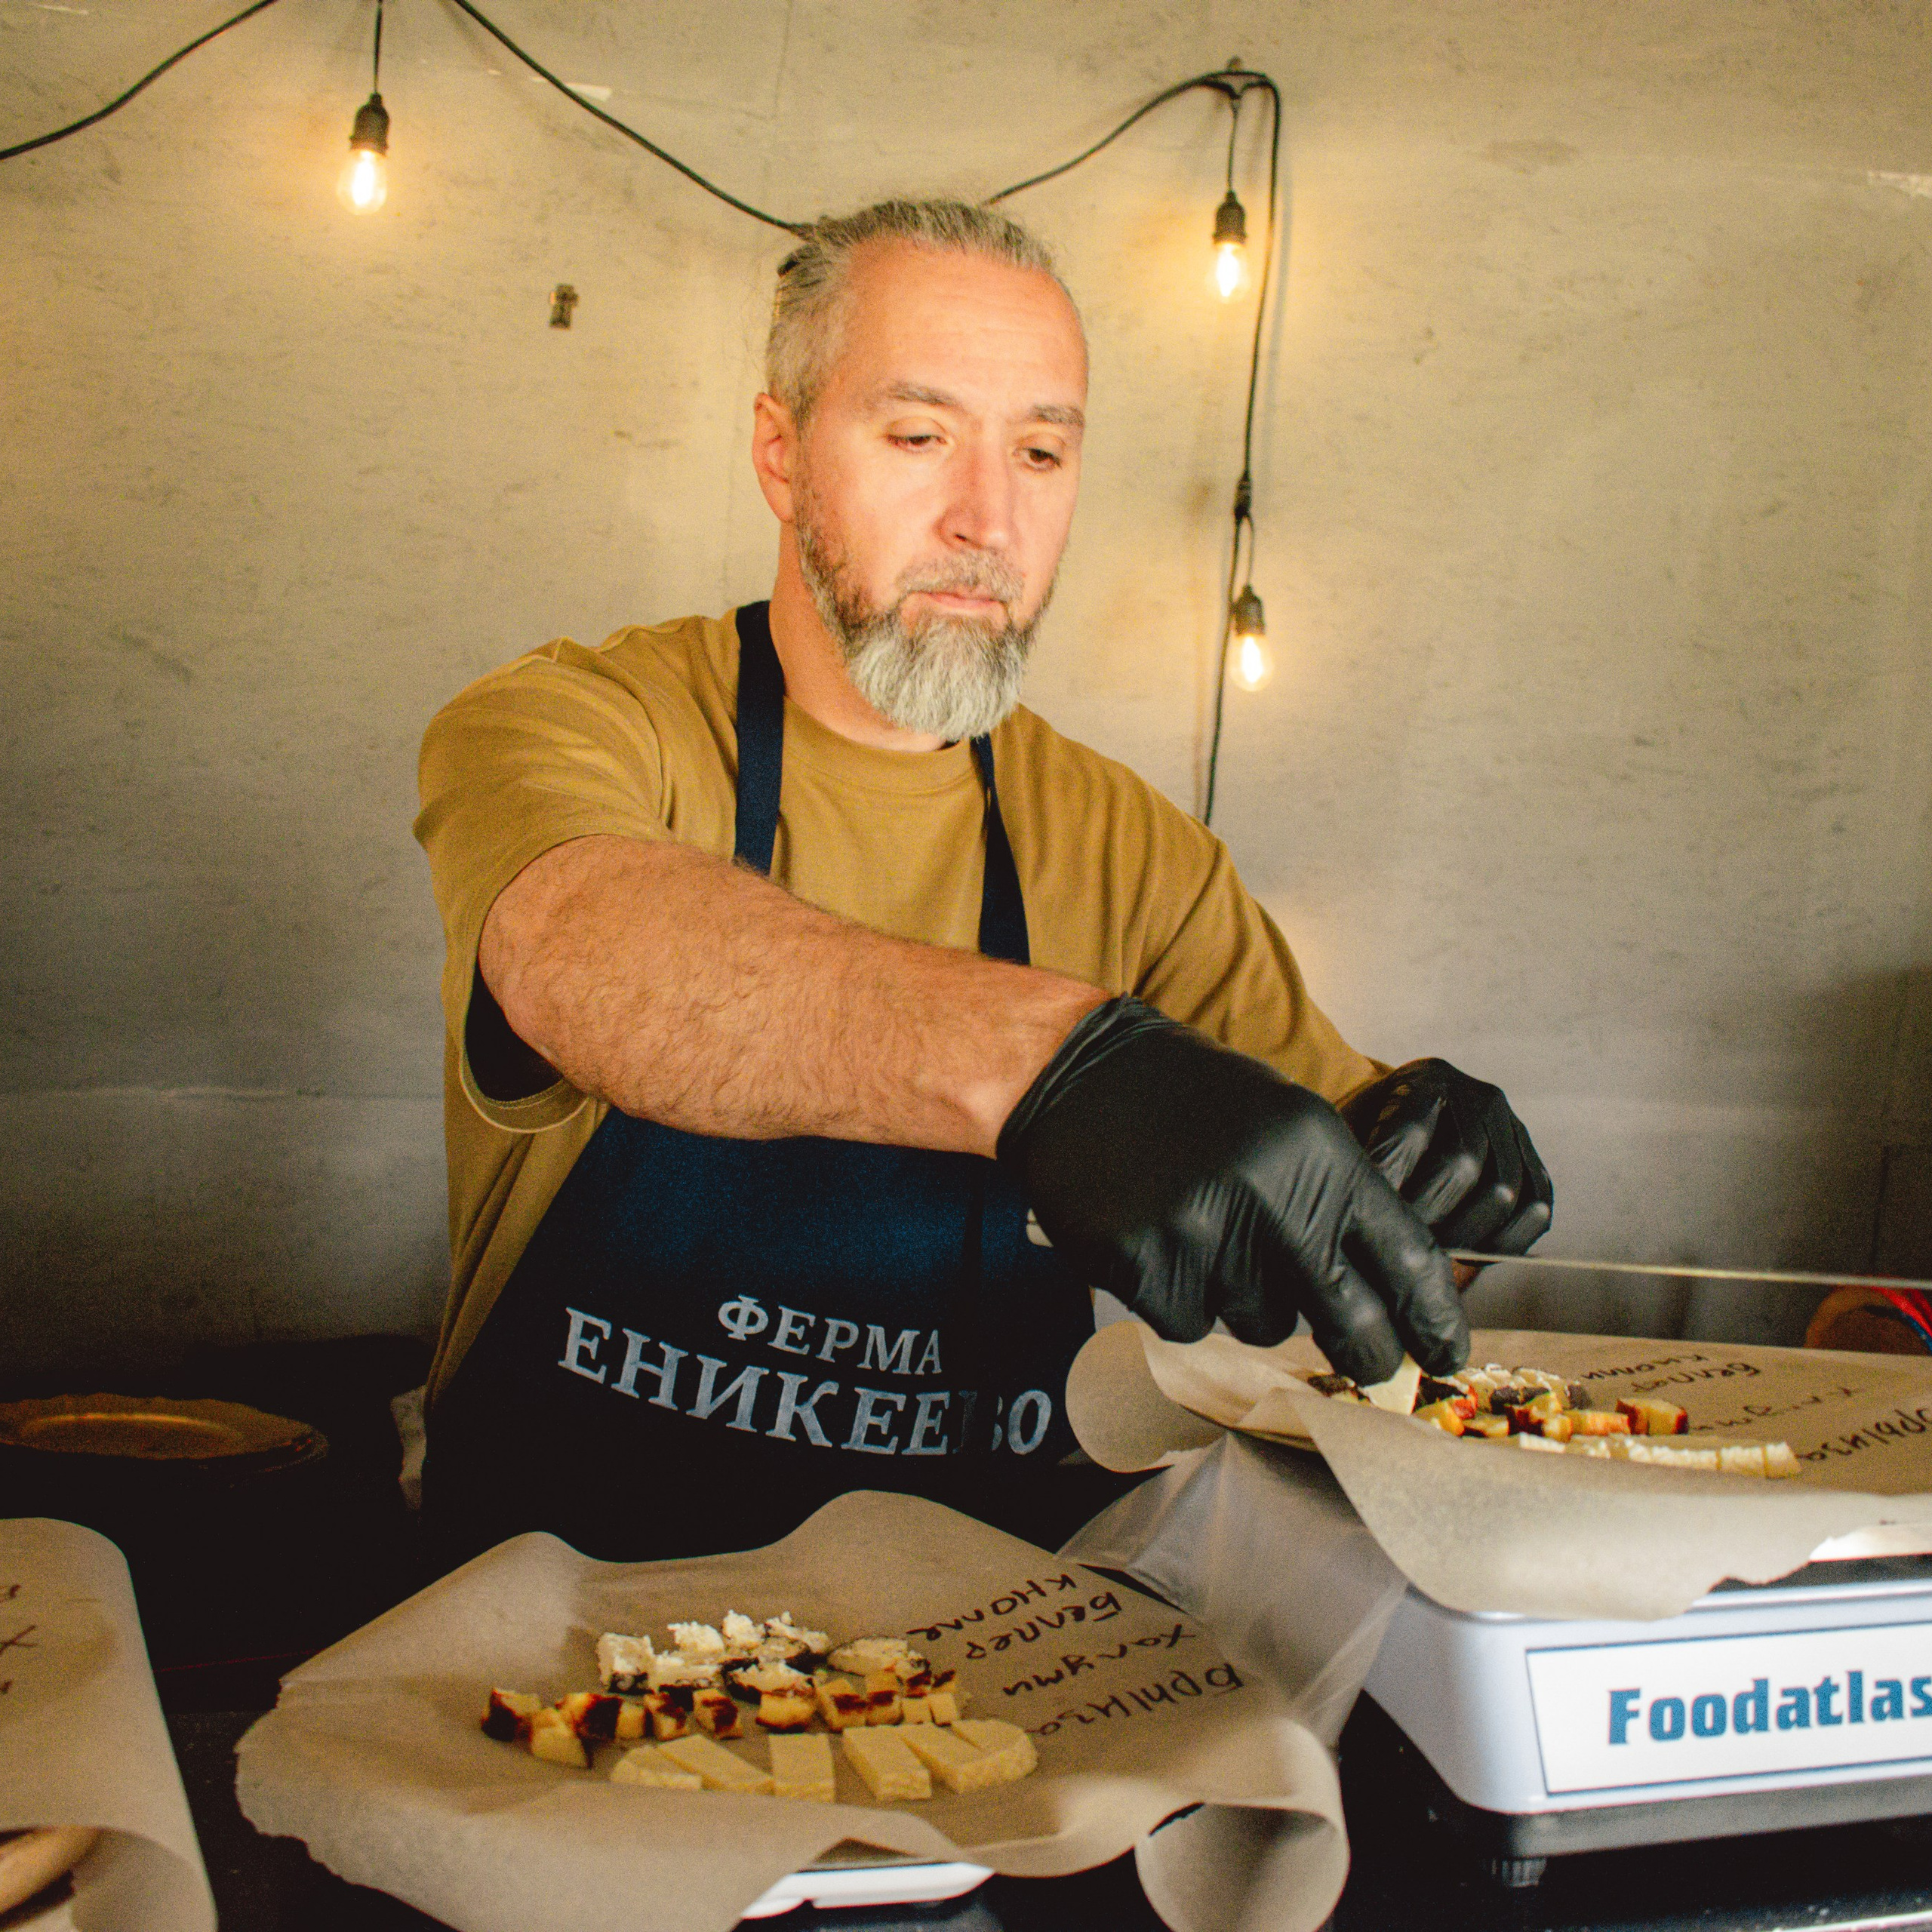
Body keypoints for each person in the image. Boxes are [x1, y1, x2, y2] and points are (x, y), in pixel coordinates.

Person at [413, 198, 1552, 1567]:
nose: (987, 519)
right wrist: (1055, 1068)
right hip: (557, 1640)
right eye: (918, 436)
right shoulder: (580, 721)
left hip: (984, 1670)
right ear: (779, 453)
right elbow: (586, 949)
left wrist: (1428, 1179)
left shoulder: (1134, 851)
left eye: (1040, 451)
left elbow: (1337, 1253)